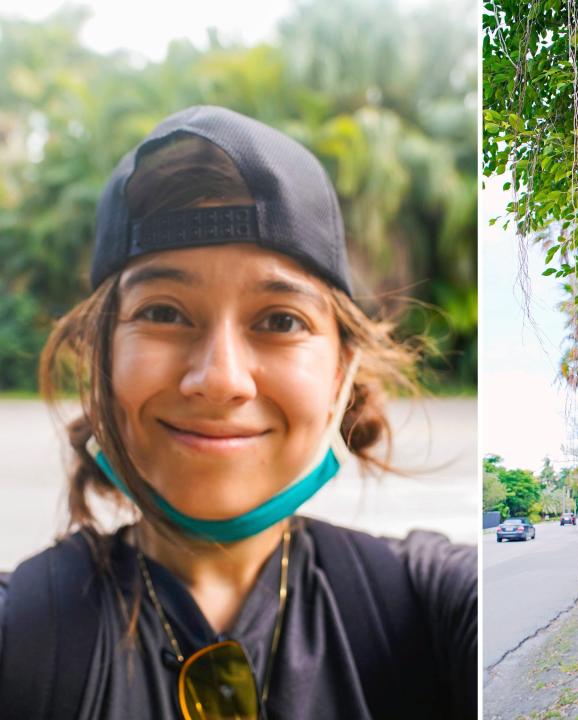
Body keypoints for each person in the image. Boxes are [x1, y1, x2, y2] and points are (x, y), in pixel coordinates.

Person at [0, 106, 477, 719]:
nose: (219, 380)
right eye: (163, 313)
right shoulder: (23, 638)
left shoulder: (427, 607)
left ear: (343, 372)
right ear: (100, 358)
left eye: (281, 320)